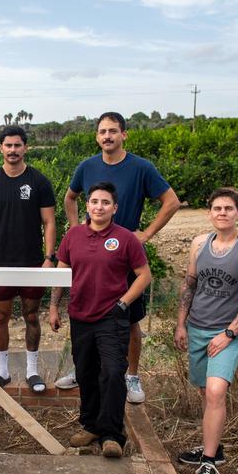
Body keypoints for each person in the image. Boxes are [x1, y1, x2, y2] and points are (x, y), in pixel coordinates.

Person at [59, 112, 180, 403]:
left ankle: (132, 376)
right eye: (102, 131)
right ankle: (82, 369)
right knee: (83, 314)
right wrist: (76, 230)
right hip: (89, 257)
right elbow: (69, 197)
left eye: (113, 131)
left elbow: (171, 201)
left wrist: (146, 234)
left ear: (124, 134)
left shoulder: (141, 167)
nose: (107, 136)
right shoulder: (86, 167)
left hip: (122, 256)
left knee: (129, 318)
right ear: (97, 136)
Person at [173, 188, 238, 474]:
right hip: (197, 328)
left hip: (226, 333)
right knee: (204, 393)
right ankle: (212, 447)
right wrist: (180, 325)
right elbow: (189, 285)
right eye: (217, 208)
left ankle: (209, 465)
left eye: (229, 208)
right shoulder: (199, 244)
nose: (222, 213)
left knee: (215, 392)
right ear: (209, 213)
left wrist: (230, 333)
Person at [49, 182, 151, 458]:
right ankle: (91, 425)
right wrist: (54, 307)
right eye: (94, 201)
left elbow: (144, 275)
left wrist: (123, 303)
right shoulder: (73, 236)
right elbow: (61, 273)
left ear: (114, 208)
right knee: (85, 373)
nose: (99, 206)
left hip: (111, 317)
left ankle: (111, 435)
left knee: (112, 373)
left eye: (105, 202)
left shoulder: (125, 238)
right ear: (87, 206)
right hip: (80, 315)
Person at [0, 125, 56, 392]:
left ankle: (32, 371)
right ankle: (3, 371)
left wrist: (48, 258)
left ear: (25, 148)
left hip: (32, 261)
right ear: (0, 148)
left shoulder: (39, 181)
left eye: (17, 145)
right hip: (0, 263)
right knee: (0, 316)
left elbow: (49, 222)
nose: (13, 150)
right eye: (8, 145)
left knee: (32, 315)